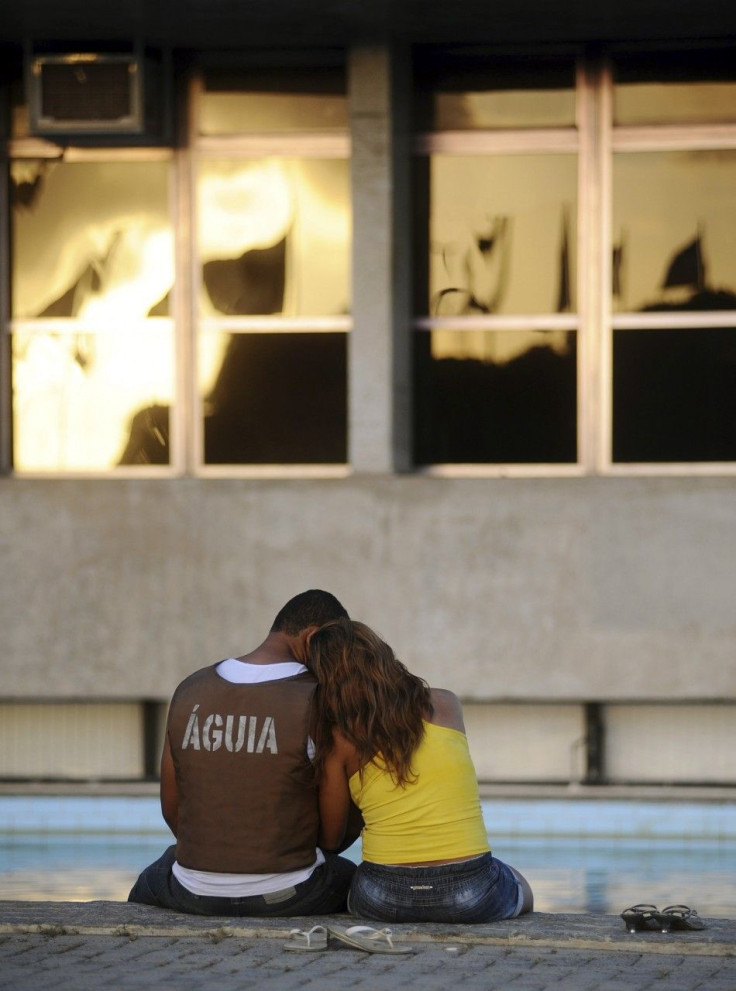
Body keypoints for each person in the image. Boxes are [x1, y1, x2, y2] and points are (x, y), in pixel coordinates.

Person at [128, 589, 357, 916]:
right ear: (313, 638)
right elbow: (332, 839)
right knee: (357, 879)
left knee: (154, 874)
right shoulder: (319, 700)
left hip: (191, 890)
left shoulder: (190, 689)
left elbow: (172, 809)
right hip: (289, 892)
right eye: (335, 645)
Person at [307, 617, 534, 923]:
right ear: (383, 658)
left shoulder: (338, 742)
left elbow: (331, 842)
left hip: (382, 896)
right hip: (472, 894)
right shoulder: (446, 704)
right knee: (518, 882)